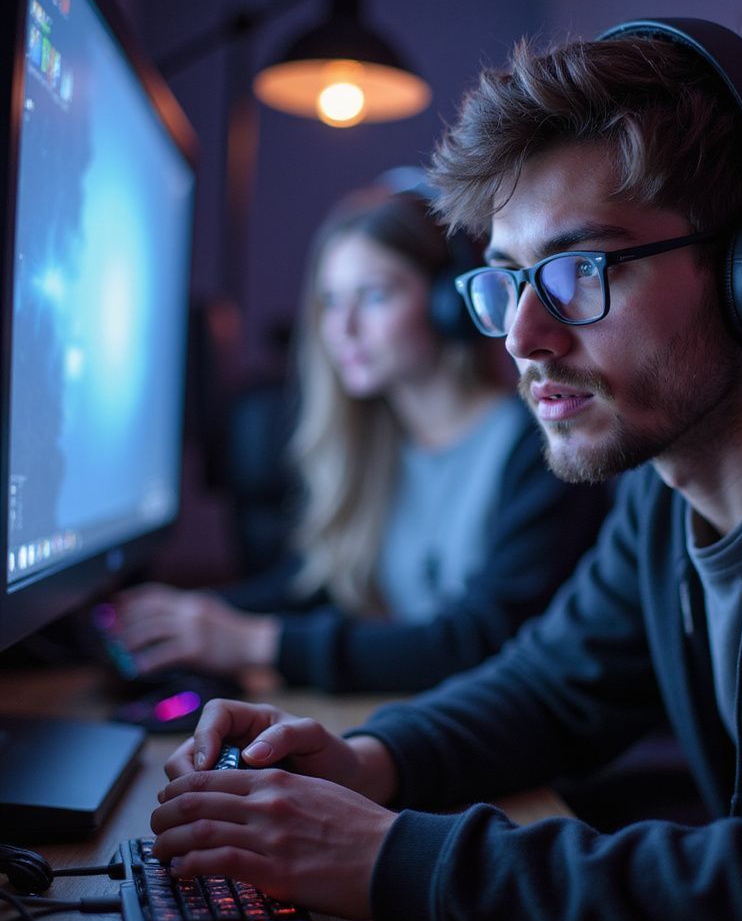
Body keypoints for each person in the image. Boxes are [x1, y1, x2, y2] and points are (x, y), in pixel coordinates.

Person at [148, 13, 742, 921]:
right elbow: (553, 687)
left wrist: (388, 857)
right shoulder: (669, 481)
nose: (523, 336)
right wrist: (368, 761)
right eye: (506, 281)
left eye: (578, 270)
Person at [110, 182, 609, 693]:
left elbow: (482, 639)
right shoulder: (377, 447)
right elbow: (316, 582)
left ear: (448, 303)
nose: (343, 327)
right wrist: (186, 617)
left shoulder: (541, 447)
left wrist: (256, 642)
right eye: (330, 301)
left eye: (374, 296)